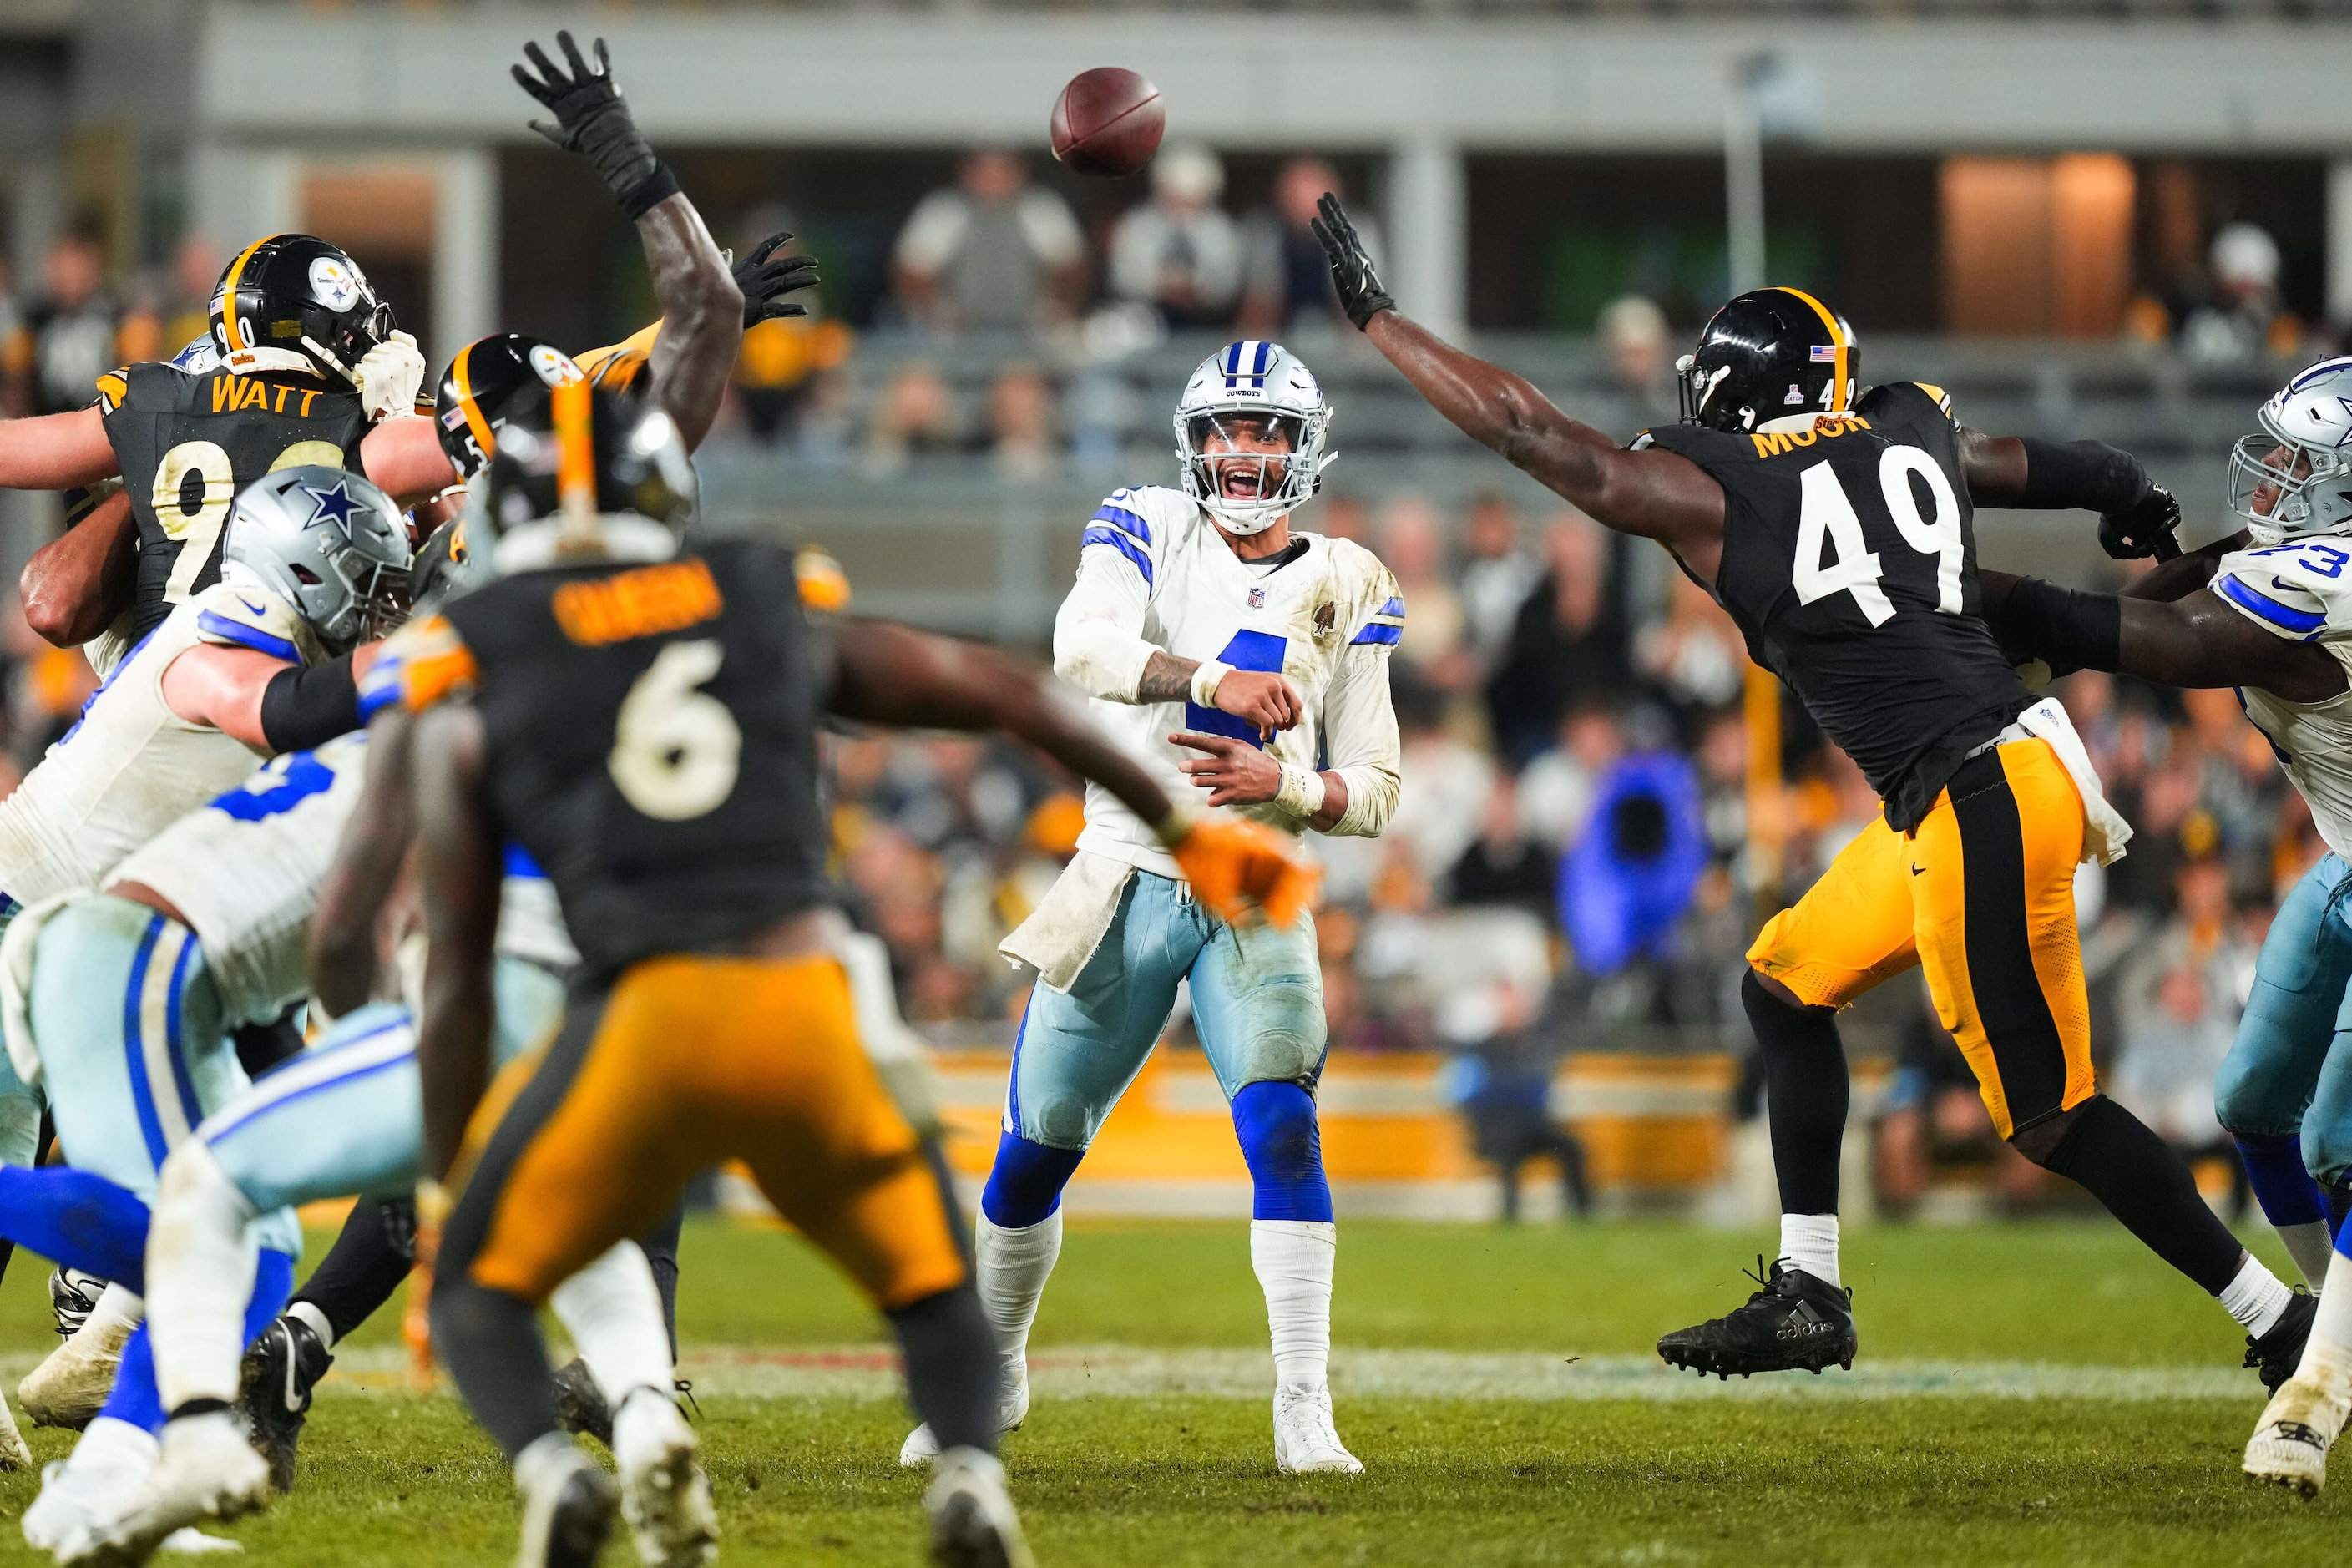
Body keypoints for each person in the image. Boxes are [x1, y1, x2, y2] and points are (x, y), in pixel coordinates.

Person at [1311, 192, 2313, 1392]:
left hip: (1976, 793)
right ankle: (1809, 1288)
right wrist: (2127, 494)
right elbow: (2032, 463)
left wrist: (1381, 321)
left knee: (2050, 1118)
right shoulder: (1906, 426)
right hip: (1987, 776)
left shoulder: (1718, 484)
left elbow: (1532, 432)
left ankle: (2278, 1315)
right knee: (1783, 981)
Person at [391, 380, 1311, 1567]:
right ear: (670, 490)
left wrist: (437, 1184)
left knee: (474, 1289)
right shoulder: (756, 590)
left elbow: (457, 971)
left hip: (639, 1018)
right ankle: (974, 1479)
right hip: (803, 1003)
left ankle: (555, 1470)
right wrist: (1184, 830)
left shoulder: (479, 655)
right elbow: (992, 690)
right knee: (929, 1282)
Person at [898, 338, 1404, 1478]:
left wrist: (1283, 782)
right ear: (1194, 441)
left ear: (1301, 444)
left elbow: (1373, 785)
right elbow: (1081, 648)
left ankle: (1302, 1403)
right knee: (1035, 1151)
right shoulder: (1145, 520)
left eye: (1265, 428)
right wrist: (1214, 681)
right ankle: (993, 1373)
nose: (1241, 449)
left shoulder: (1355, 576)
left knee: (1280, 1123)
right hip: (1122, 873)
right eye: (1224, 428)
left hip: (1251, 887)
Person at [11, 31, 743, 678]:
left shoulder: (154, 400)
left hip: (152, 689)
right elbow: (533, 407)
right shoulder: (362, 433)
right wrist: (671, 332)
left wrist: (139, 469)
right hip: (295, 700)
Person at [0, 465, 412, 1552]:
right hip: (43, 918)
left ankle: (116, 1470)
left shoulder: (324, 675)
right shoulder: (228, 624)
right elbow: (264, 708)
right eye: (366, 589)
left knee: (245, 1238)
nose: (382, 613)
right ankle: (129, 1461)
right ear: (300, 566)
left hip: (141, 958)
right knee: (208, 1231)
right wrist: (439, 660)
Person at [1977, 357, 2352, 1491]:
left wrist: (1957, 591)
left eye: (2301, 459)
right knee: (2254, 1107)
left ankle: (2316, 1394)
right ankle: (2326, 1322)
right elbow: (2160, 605)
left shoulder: (2332, 577)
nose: (2273, 472)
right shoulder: (2293, 562)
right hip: (2342, 865)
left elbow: (2178, 649)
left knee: (2345, 1146)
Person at [893, 149, 1086, 335]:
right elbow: (911, 272)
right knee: (918, 368)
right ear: (966, 173)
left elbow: (1070, 268)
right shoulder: (942, 209)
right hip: (953, 329)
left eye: (1004, 171)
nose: (994, 180)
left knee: (1024, 369)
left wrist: (1054, 307)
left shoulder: (1043, 208)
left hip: (1030, 328)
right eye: (984, 172)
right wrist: (937, 309)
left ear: (1021, 173)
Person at [1107, 144, 1242, 330]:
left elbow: (1227, 283)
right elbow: (1123, 278)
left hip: (1204, 322)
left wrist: (1195, 289)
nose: (1182, 208)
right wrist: (1162, 287)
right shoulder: (1137, 223)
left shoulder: (1220, 228)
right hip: (1144, 320)